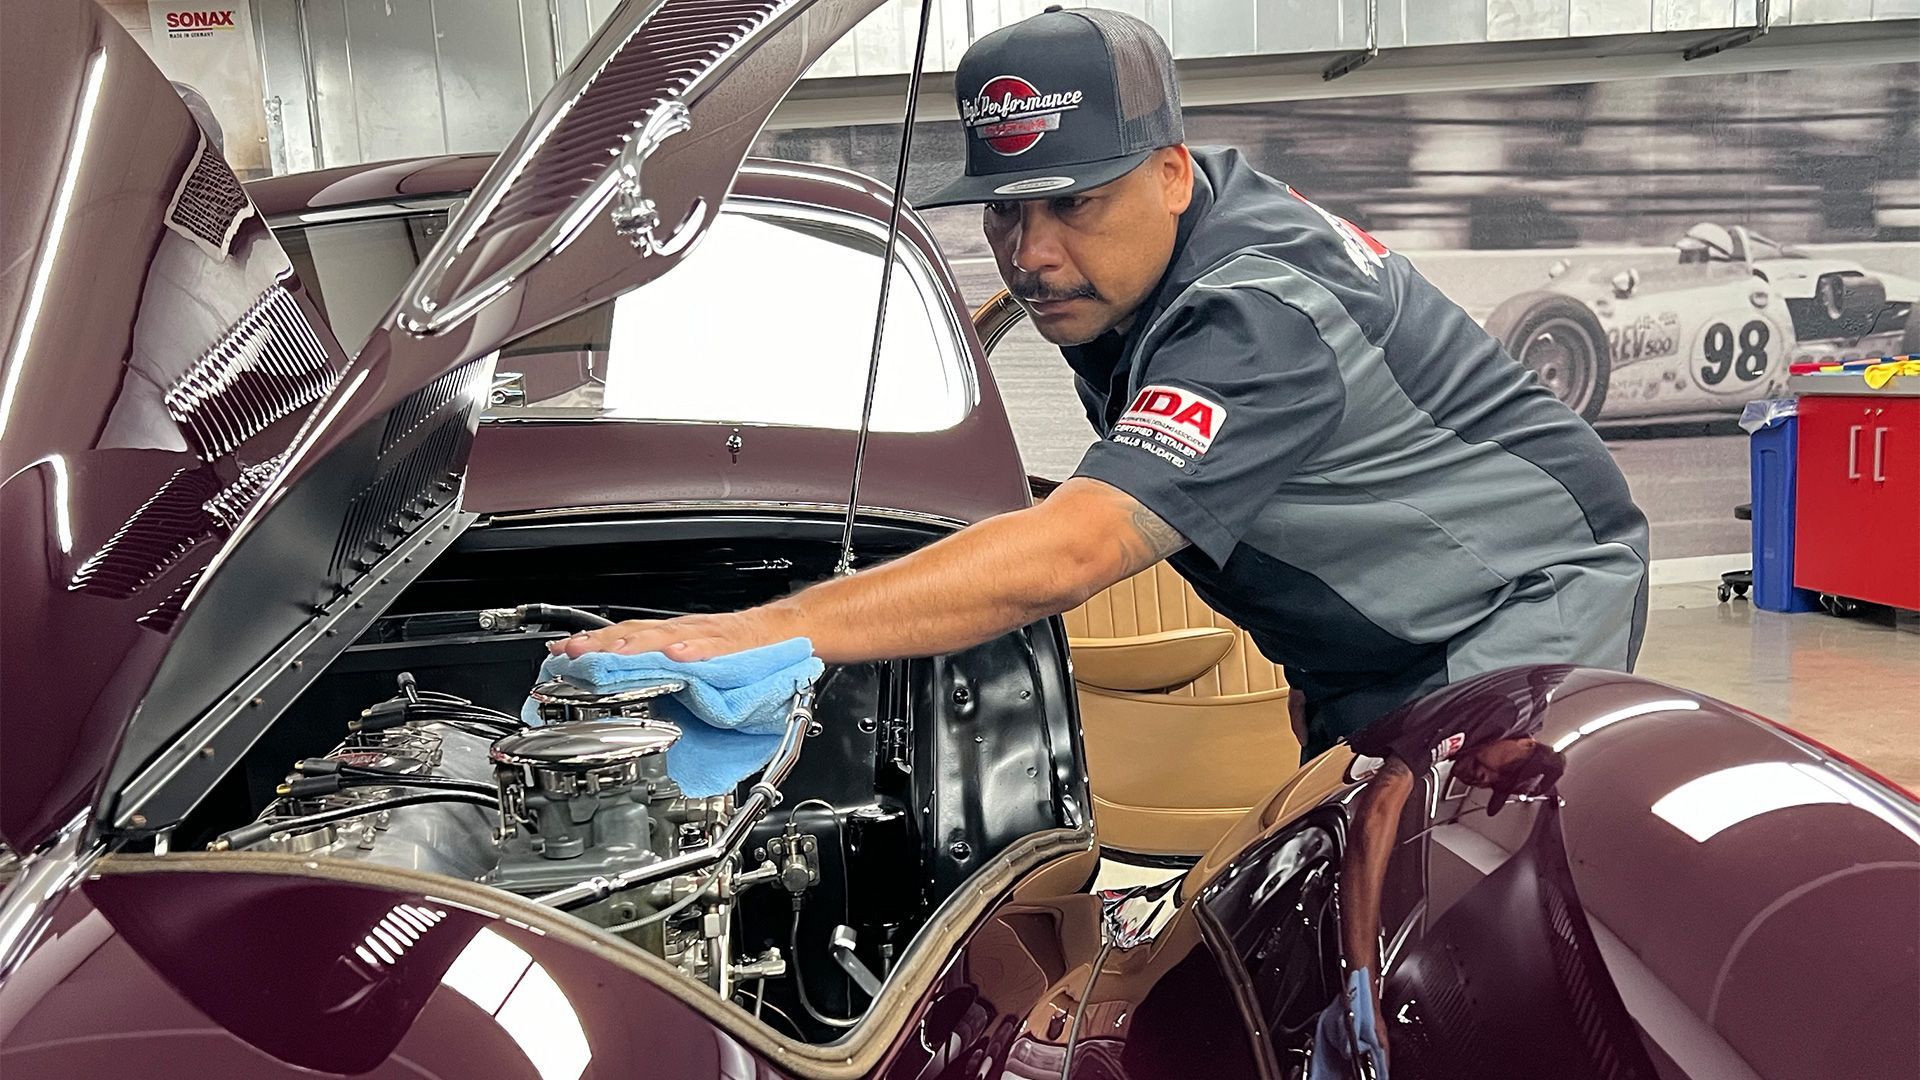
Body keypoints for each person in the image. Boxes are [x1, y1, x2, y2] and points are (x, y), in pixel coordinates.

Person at [553, 7, 1650, 761]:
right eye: (1005, 209)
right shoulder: (1145, 263)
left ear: (1172, 172)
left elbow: (1074, 551)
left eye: (1070, 203)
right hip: (1369, 644)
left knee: (1421, 912)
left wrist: (753, 630)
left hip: (1516, 606)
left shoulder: (1256, 313)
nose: (1028, 253)